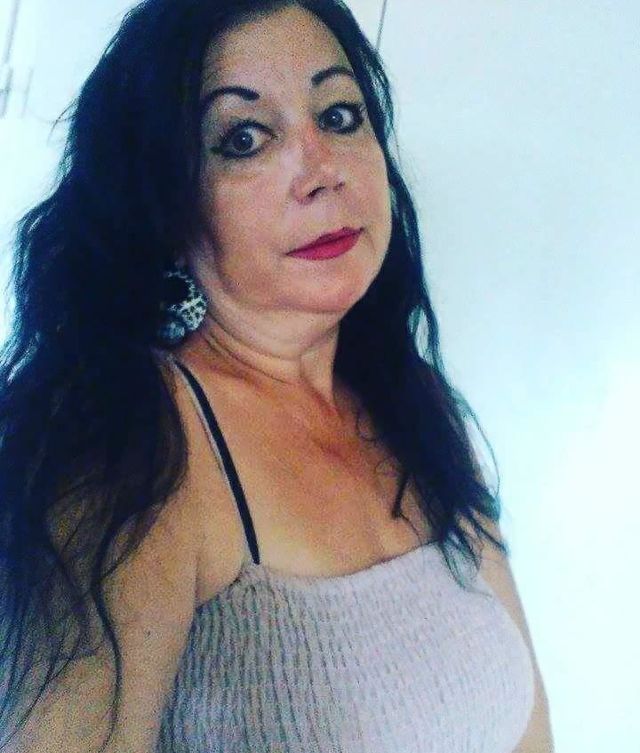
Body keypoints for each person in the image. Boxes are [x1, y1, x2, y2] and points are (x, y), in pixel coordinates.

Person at [0, 0, 554, 751]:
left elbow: (532, 730)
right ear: (166, 206)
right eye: (245, 138)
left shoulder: (418, 403)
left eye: (340, 115)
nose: (322, 170)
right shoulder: (126, 441)